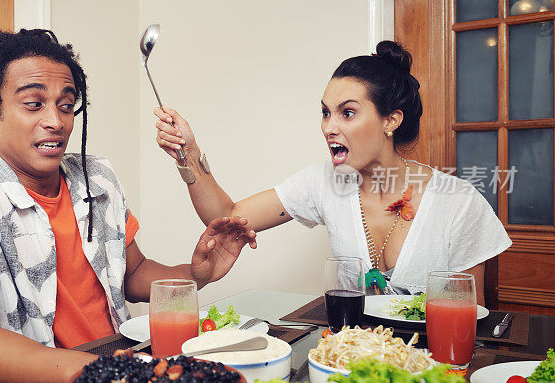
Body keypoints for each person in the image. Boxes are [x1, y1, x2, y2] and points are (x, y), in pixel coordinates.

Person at [0, 28, 256, 383]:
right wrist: (102, 373)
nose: (55, 121)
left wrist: (197, 273)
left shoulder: (98, 178)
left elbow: (133, 274)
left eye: (67, 105)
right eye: (33, 104)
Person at [155, 40, 511, 304]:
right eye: (325, 112)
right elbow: (226, 218)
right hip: (347, 370)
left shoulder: (459, 202)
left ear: (391, 120)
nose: (329, 127)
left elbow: (470, 322)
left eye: (348, 113)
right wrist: (189, 153)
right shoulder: (323, 183)